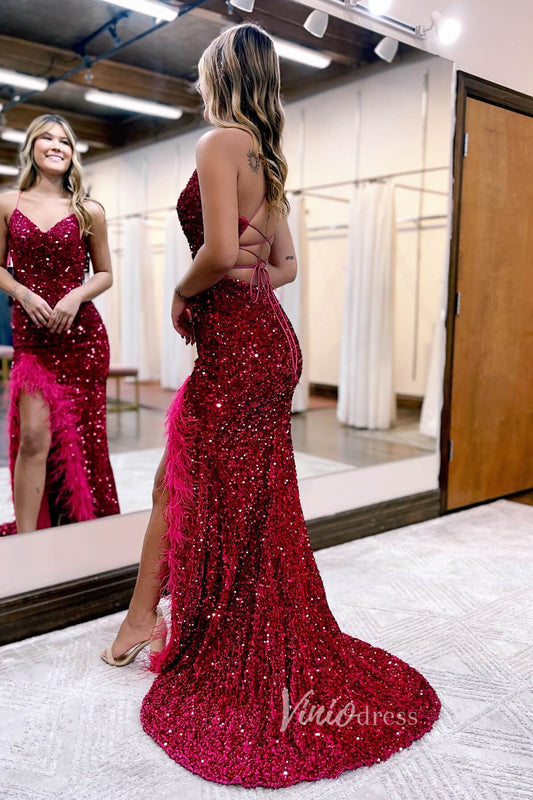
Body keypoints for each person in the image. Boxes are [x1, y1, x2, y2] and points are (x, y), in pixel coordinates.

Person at [101, 23, 441, 788]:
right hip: (270, 344)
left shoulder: (218, 143)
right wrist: (237, 281)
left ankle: (151, 619)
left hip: (235, 348)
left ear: (218, 74)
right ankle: (150, 614)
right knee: (226, 487)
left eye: (202, 73)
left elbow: (221, 254)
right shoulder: (265, 158)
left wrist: (181, 292)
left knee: (191, 481)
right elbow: (280, 267)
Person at [0, 114, 120, 535]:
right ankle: (28, 540)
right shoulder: (7, 203)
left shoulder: (88, 210)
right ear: (31, 147)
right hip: (33, 339)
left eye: (65, 141)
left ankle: (78, 530)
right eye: (47, 138)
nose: (56, 146)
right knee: (35, 436)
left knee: (83, 440)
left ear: (73, 153)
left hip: (83, 339)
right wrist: (23, 293)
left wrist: (75, 295)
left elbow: (105, 274)